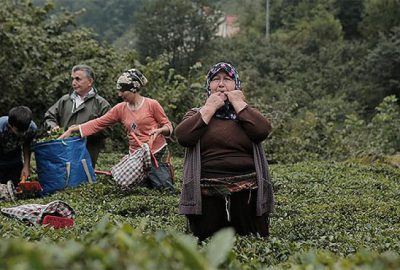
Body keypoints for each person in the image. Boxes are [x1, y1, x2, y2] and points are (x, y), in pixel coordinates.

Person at [175, 62, 274, 241]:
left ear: (236, 85)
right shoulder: (197, 114)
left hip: (247, 194)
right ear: (208, 86)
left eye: (227, 79)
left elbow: (263, 131)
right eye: (215, 80)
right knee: (205, 245)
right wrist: (209, 108)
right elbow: (183, 137)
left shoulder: (245, 113)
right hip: (206, 195)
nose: (221, 84)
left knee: (251, 244)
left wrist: (238, 103)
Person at [59, 69, 174, 190]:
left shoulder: (152, 104)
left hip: (156, 153)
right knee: (135, 190)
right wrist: (74, 129)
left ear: (133, 90)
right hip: (136, 157)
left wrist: (160, 131)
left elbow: (168, 125)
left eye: (123, 91)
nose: (120, 94)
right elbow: (99, 122)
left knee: (164, 188)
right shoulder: (120, 109)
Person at [44, 64, 111, 167]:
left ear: (90, 81)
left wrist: (82, 131)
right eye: (73, 79)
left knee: (82, 181)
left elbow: (107, 129)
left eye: (78, 79)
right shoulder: (65, 100)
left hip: (86, 156)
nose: (74, 83)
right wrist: (53, 127)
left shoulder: (101, 104)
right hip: (62, 154)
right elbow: (49, 116)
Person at [0, 106, 37, 185]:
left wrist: (26, 166)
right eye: (19, 131)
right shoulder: (1, 127)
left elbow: (27, 145)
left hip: (15, 162)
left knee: (16, 188)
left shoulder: (31, 128)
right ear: (10, 125)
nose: (23, 134)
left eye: (25, 131)